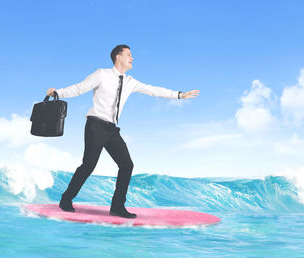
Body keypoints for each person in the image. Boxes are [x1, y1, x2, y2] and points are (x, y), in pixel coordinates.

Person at [47, 45, 199, 218]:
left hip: (112, 130)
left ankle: (117, 206)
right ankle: (66, 199)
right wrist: (57, 92)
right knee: (88, 165)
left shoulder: (130, 82)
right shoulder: (101, 74)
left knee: (127, 165)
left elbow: (153, 90)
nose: (132, 58)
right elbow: (79, 88)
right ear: (118, 58)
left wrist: (179, 95)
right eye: (129, 55)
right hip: (95, 125)